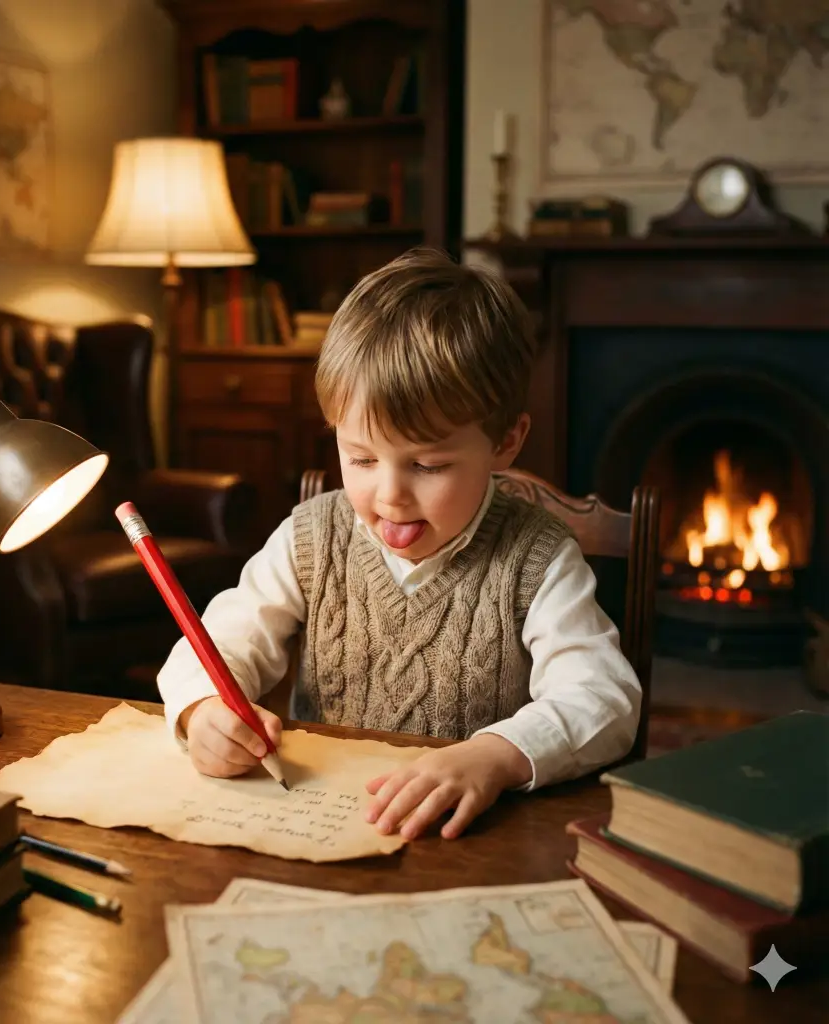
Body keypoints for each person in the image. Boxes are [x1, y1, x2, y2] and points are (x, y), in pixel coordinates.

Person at [156, 247, 640, 841]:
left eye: (429, 466)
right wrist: (202, 711)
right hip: (324, 826)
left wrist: (495, 756)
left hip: (466, 840)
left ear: (506, 443)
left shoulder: (537, 558)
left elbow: (603, 698)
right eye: (359, 458)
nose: (389, 496)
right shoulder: (310, 538)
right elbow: (215, 645)